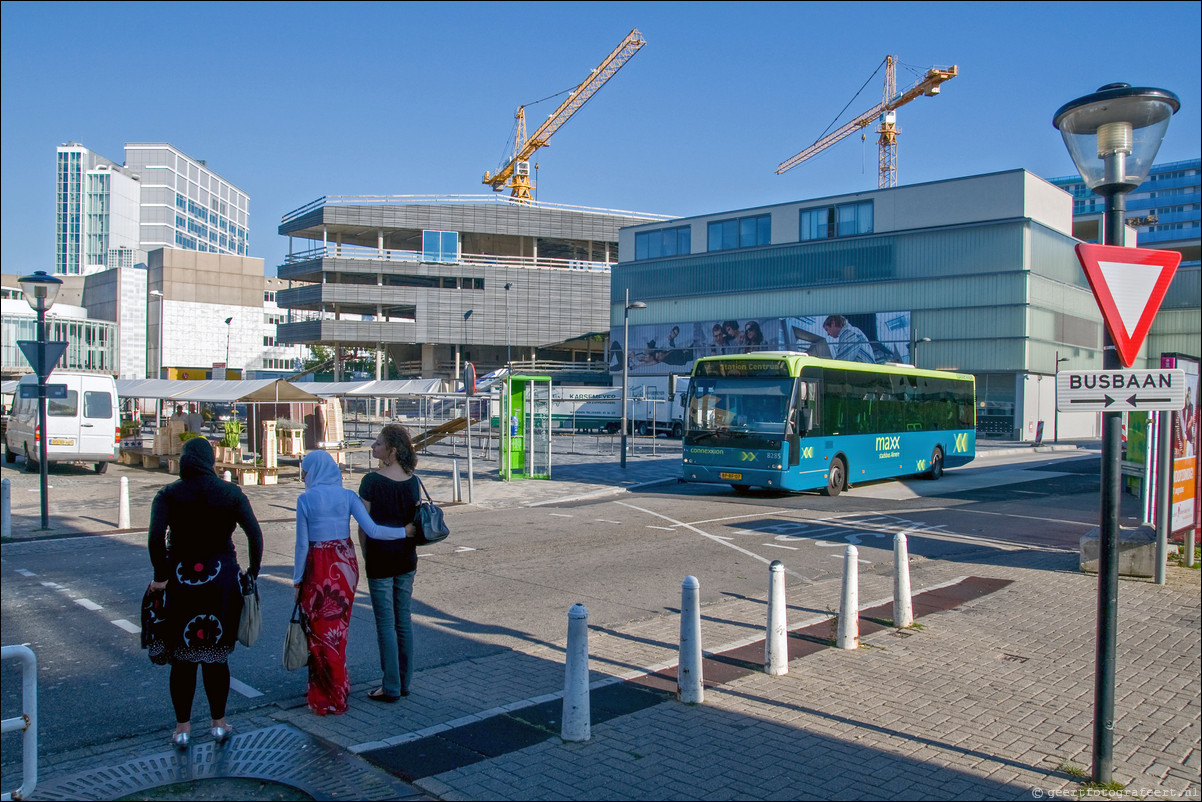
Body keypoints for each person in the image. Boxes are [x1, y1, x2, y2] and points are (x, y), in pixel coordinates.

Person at [147, 437, 263, 750]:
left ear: (185, 460)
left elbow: (156, 538)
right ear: (210, 460)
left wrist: (161, 577)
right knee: (216, 657)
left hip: (182, 581)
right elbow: (254, 533)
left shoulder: (169, 494)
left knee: (183, 660)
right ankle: (219, 724)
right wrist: (253, 572)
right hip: (221, 582)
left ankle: (182, 728)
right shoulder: (230, 493)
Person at [293, 449, 410, 716]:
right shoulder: (347, 497)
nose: (304, 476)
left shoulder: (305, 499)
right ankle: (339, 687)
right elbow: (374, 530)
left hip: (318, 565)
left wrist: (297, 579)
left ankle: (326, 692)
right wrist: (404, 532)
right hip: (345, 564)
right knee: (339, 631)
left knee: (320, 631)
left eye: (306, 471)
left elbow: (302, 545)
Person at [358, 424, 422, 703]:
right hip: (406, 556)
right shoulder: (412, 480)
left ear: (391, 451)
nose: (373, 447)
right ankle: (404, 682)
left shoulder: (371, 482)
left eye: (378, 443)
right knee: (403, 620)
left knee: (385, 624)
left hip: (380, 558)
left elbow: (363, 525)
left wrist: (365, 553)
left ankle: (390, 686)